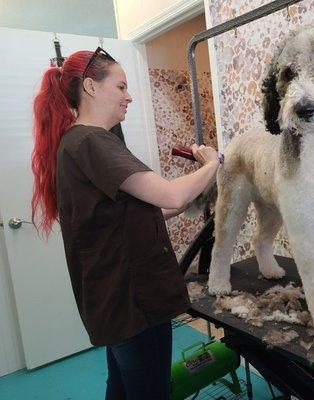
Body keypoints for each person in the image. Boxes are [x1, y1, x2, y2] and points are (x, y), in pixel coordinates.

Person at [31, 47, 220, 400]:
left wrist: (191, 193)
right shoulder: (91, 141)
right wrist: (212, 163)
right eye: (120, 87)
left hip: (116, 306)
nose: (129, 96)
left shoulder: (80, 141)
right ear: (90, 87)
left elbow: (147, 210)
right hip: (133, 307)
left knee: (121, 389)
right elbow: (171, 196)